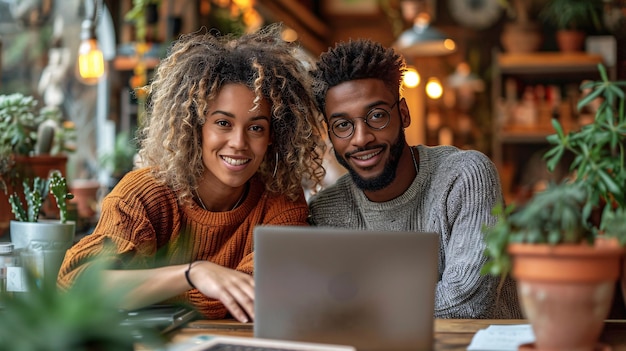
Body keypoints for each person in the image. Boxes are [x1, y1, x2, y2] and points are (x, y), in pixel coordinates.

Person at [58, 24, 326, 323]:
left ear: (273, 136)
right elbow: (76, 286)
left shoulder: (280, 203)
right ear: (195, 127)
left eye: (255, 128)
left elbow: (254, 294)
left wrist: (142, 287)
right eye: (223, 123)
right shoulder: (144, 195)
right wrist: (194, 274)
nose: (238, 143)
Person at [308, 39, 522, 319]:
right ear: (330, 134)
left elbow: (466, 304)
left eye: (376, 116)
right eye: (343, 125)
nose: (361, 138)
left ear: (404, 114)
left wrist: (357, 306)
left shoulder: (465, 176)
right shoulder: (325, 210)